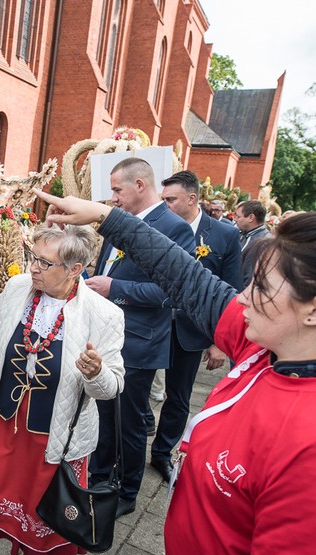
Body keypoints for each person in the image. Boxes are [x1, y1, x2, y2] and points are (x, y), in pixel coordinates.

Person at [37, 190, 316, 555]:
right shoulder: (273, 347)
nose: (243, 295)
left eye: (261, 286)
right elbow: (189, 278)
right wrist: (107, 216)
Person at [0, 224, 125, 555]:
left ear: (75, 269)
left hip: (55, 432)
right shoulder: (17, 289)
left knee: (41, 504)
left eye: (44, 263)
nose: (32, 267)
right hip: (4, 416)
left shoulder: (104, 314)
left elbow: (112, 387)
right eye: (33, 256)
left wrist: (96, 374)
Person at [84, 158, 194, 517]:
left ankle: (127, 492)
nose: (113, 197)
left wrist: (114, 286)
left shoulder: (174, 228)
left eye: (118, 189)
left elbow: (169, 293)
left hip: (138, 342)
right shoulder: (119, 222)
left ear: (140, 186)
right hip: (104, 334)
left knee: (129, 423)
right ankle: (99, 477)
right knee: (101, 413)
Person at [150, 170, 241, 483]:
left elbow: (230, 288)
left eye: (171, 199)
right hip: (152, 321)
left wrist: (219, 341)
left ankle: (162, 453)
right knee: (135, 387)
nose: (166, 205)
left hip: (189, 329)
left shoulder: (224, 234)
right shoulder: (155, 225)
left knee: (178, 396)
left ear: (192, 199)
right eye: (163, 199)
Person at [234, 199, 270, 287]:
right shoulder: (246, 235)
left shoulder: (260, 242)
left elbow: (249, 278)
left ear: (251, 218)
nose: (235, 219)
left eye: (238, 217)